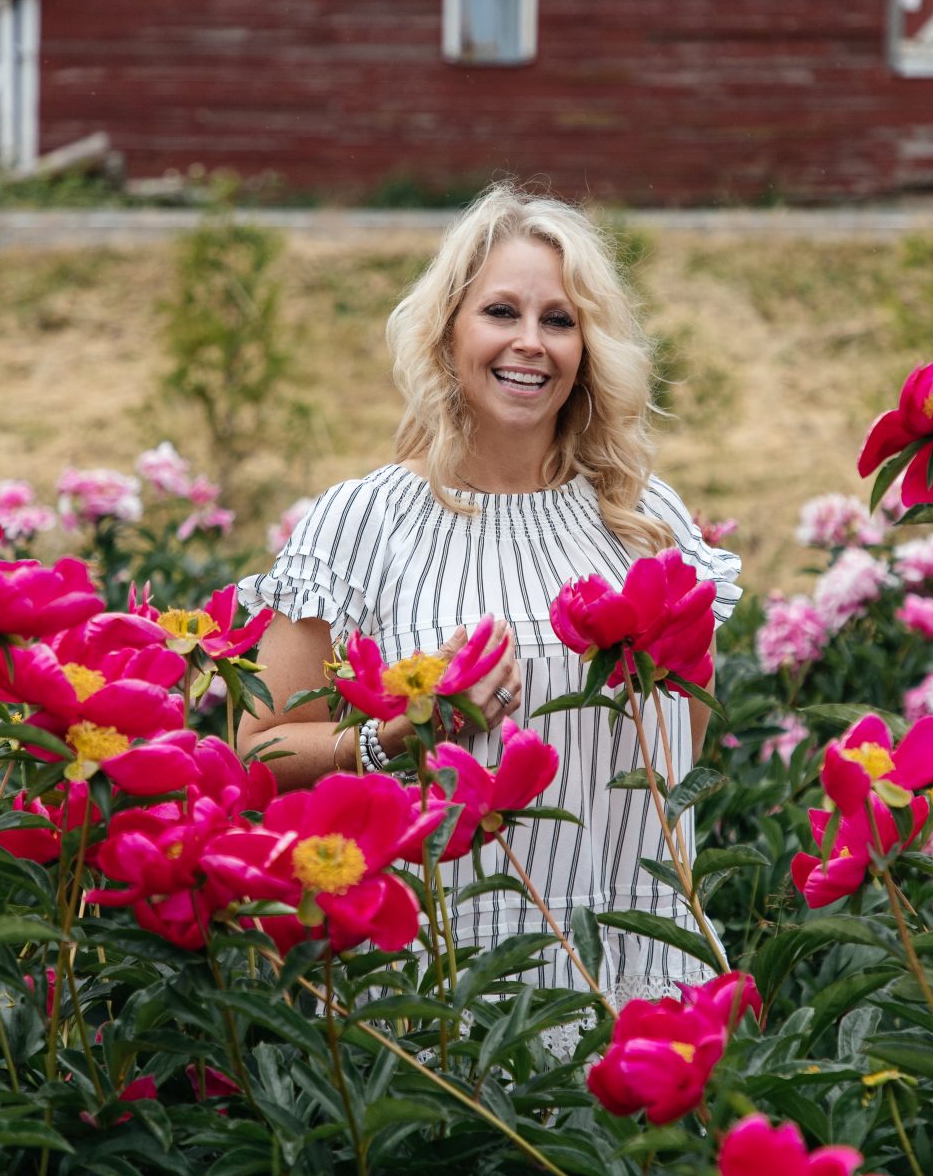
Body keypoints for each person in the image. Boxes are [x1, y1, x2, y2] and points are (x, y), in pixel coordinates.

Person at [236, 184, 741, 1003]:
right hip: (444, 974)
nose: (530, 343)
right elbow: (255, 747)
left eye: (559, 320)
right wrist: (392, 735)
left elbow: (685, 741)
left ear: (589, 348)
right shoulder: (363, 519)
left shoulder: (645, 521)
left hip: (631, 958)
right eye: (501, 312)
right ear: (448, 332)